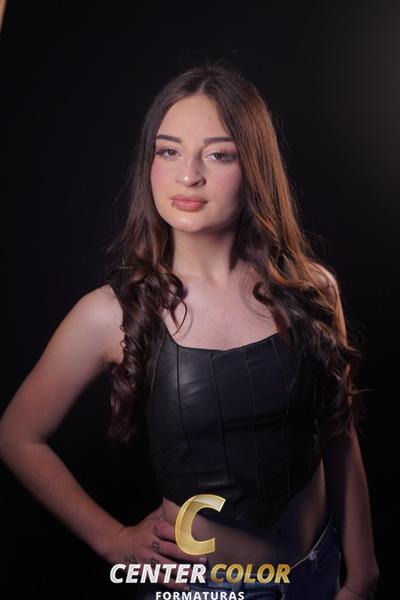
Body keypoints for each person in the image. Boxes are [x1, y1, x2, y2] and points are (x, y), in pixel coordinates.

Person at [0, 62, 379, 599]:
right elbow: (16, 434)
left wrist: (361, 576)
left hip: (318, 572)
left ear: (254, 166)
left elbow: (339, 432)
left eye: (218, 154)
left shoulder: (313, 290)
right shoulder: (111, 313)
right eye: (169, 151)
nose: (188, 175)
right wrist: (112, 539)